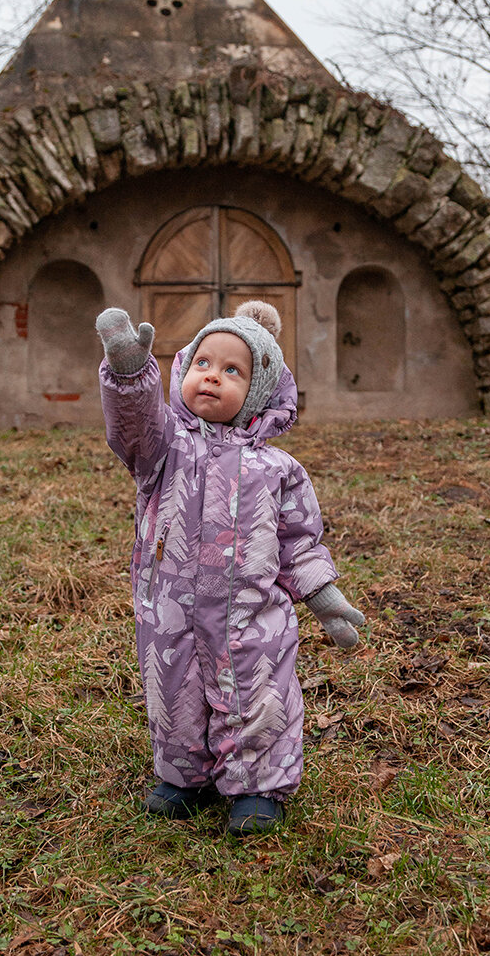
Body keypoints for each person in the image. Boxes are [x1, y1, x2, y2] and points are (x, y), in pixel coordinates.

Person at [95, 301, 365, 835]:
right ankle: (184, 776)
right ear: (183, 372)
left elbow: (299, 542)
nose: (212, 377)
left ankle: (258, 787)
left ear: (260, 392)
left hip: (251, 615)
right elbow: (132, 427)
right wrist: (129, 375)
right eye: (202, 363)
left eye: (232, 370)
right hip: (169, 609)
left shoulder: (278, 469)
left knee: (258, 694)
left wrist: (324, 597)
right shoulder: (163, 447)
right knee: (173, 691)